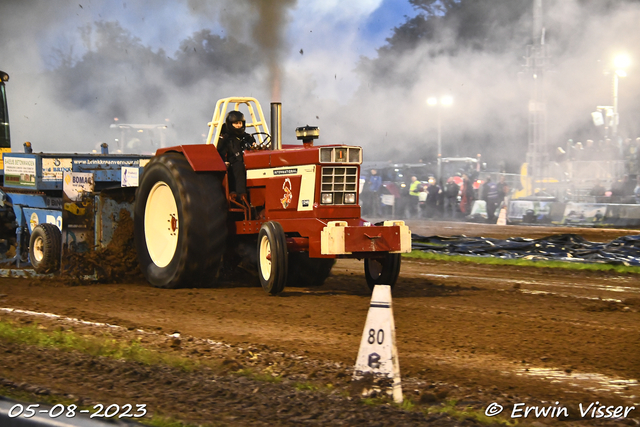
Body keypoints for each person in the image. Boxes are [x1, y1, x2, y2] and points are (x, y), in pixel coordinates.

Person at [217, 110, 256, 205]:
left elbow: (254, 146)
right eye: (236, 123)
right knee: (238, 165)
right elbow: (219, 153)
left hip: (247, 163)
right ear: (230, 124)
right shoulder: (224, 139)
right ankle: (241, 195)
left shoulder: (248, 137)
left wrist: (254, 145)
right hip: (232, 165)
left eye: (240, 123)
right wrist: (224, 162)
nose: (238, 126)